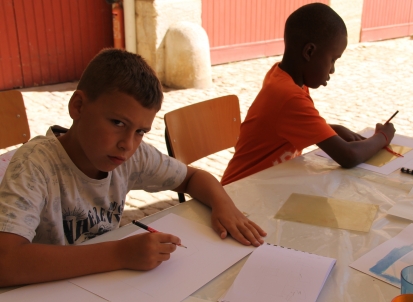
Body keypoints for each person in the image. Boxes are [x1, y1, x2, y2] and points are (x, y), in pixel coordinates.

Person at [0, 49, 266, 287]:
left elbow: (193, 177)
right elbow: (6, 263)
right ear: (78, 106)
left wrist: (224, 206)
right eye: (117, 123)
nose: (127, 144)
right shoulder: (33, 166)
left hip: (103, 287)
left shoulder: (131, 157)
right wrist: (119, 254)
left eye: (140, 131)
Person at [221, 3, 396, 185]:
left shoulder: (281, 77)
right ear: (309, 52)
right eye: (332, 60)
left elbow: (283, 125)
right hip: (240, 191)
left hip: (264, 184)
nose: (333, 70)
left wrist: (331, 129)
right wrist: (382, 137)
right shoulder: (289, 95)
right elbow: (348, 156)